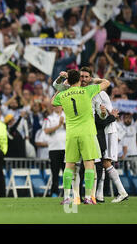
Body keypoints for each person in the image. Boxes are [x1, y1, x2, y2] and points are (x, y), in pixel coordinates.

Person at [51, 70, 110, 205]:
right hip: (87, 133)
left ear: (69, 81)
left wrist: (61, 88)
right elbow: (107, 82)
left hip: (71, 133)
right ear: (79, 80)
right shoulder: (88, 91)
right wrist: (93, 80)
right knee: (89, 164)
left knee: (69, 165)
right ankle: (88, 197)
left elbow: (53, 101)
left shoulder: (64, 94)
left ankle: (67, 197)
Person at [43, 105, 66, 197]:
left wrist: (64, 124)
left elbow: (71, 129)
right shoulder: (49, 118)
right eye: (55, 106)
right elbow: (46, 130)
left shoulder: (67, 116)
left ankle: (67, 192)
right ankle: (54, 192)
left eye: (59, 106)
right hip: (54, 148)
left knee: (67, 172)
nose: (57, 108)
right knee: (55, 172)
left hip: (66, 148)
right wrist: (58, 125)